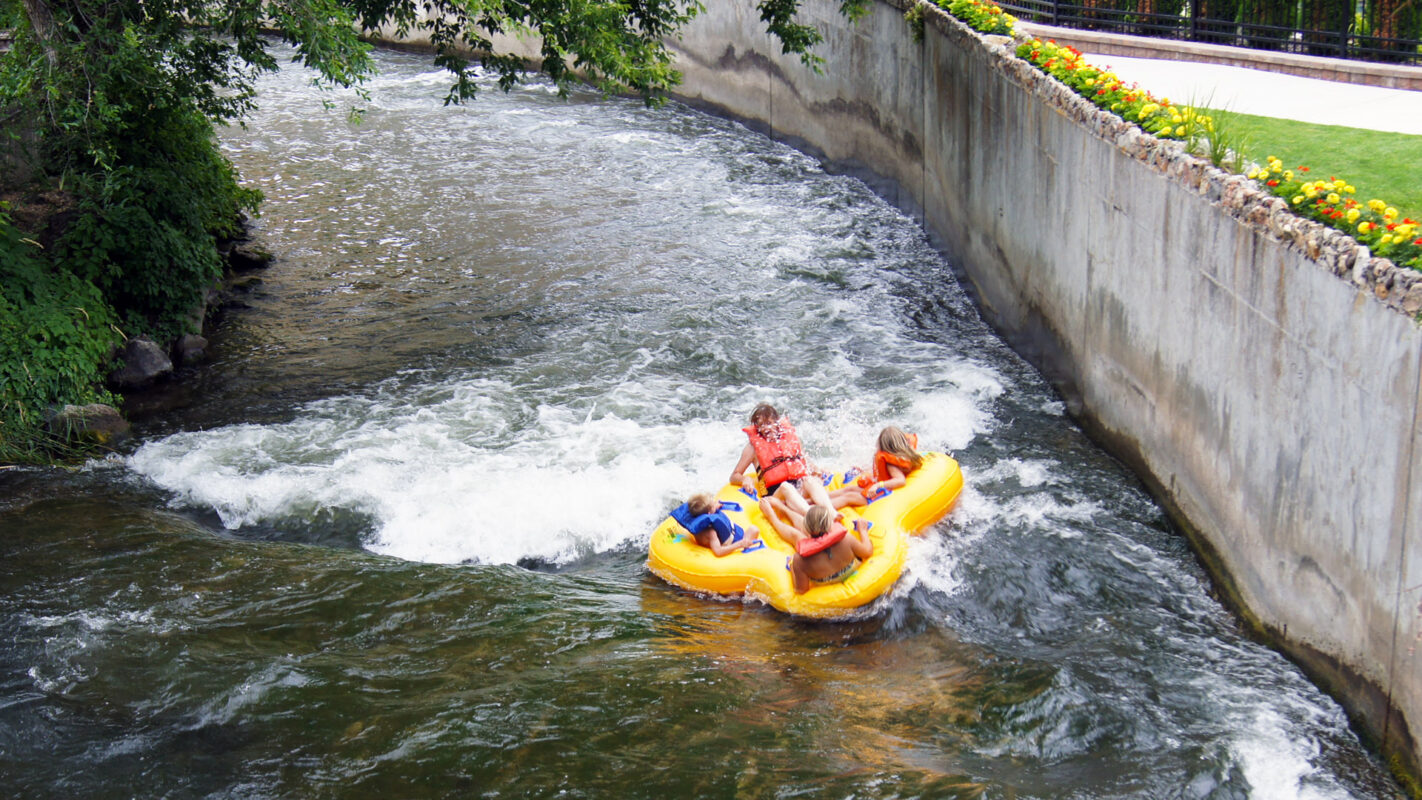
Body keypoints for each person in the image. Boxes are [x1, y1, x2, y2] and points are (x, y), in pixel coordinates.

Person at [729, 403, 833, 513]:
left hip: (797, 490)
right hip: (776, 495)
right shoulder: (752, 448)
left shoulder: (790, 440)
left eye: (769, 423)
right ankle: (811, 515)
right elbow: (734, 475)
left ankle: (831, 512)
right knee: (786, 487)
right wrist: (744, 479)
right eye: (761, 425)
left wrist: (819, 471)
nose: (766, 428)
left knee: (810, 480)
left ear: (776, 423)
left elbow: (806, 463)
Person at [758, 501, 872, 594]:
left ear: (806, 529)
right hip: (850, 572)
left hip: (823, 586)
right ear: (830, 525)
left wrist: (792, 566)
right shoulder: (846, 539)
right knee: (797, 537)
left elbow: (801, 590)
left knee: (796, 536)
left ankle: (772, 516)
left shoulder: (800, 560)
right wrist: (863, 531)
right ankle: (782, 510)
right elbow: (867, 552)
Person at [828, 425, 924, 509]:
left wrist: (878, 485)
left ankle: (824, 508)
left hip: (882, 494)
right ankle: (820, 499)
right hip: (878, 490)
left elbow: (900, 481)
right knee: (849, 489)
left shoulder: (891, 463)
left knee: (848, 497)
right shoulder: (899, 455)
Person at [670, 493, 761, 557]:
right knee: (754, 529)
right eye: (713, 505)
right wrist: (740, 544)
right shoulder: (711, 533)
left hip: (724, 537)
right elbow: (718, 552)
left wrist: (714, 506)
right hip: (731, 544)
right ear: (710, 513)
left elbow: (707, 510)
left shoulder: (696, 524)